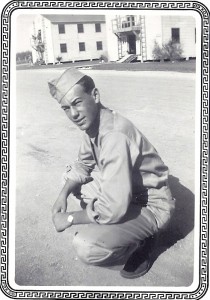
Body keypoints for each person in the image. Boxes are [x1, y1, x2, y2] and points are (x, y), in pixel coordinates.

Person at [48, 68, 175, 279]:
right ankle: (124, 230)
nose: (73, 114)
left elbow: (113, 208)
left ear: (95, 96)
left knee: (87, 246)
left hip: (151, 204)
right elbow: (83, 164)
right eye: (66, 108)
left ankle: (141, 242)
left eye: (77, 102)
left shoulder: (113, 134)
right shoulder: (95, 122)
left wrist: (70, 218)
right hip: (130, 193)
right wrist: (63, 194)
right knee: (70, 180)